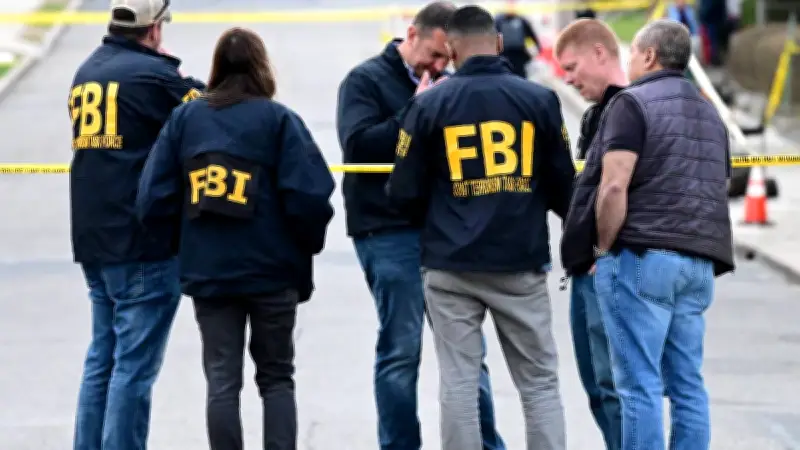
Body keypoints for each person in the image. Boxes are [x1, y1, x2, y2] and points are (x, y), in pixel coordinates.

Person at [136, 27, 335, 450]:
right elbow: (310, 196)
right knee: (277, 378)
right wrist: (304, 246)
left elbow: (152, 197)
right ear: (262, 67)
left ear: (216, 69)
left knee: (222, 380)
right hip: (273, 272)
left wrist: (182, 245)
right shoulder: (279, 120)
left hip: (210, 271)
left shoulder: (186, 120)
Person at [386, 6, 574, 449]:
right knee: (539, 383)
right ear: (499, 43)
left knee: (459, 382)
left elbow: (402, 192)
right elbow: (565, 188)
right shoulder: (539, 101)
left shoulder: (427, 105)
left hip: (450, 264)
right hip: (519, 261)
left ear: (450, 50)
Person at [335, 2, 505, 449]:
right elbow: (359, 148)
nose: (439, 66)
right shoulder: (365, 81)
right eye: (433, 55)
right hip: (387, 230)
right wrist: (417, 109)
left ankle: (485, 443)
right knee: (401, 349)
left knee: (468, 352)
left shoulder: (452, 86)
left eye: (447, 58)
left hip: (444, 231)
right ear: (411, 34)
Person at [575, 20, 733, 450]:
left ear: (649, 56)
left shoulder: (632, 103)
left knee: (638, 385)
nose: (629, 62)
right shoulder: (710, 113)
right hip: (698, 261)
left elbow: (613, 186)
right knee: (687, 385)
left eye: (632, 53)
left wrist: (602, 248)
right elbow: (717, 184)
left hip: (643, 258)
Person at [68, 0, 206, 448]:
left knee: (103, 359)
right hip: (141, 239)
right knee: (133, 367)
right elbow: (211, 109)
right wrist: (181, 75)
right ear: (154, 29)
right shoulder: (154, 77)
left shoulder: (87, 71)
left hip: (94, 235)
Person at [554, 18, 625, 450]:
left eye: (572, 66)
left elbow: (625, 190)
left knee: (613, 385)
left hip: (608, 267)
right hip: (584, 270)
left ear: (600, 53)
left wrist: (606, 249)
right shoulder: (597, 115)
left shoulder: (630, 110)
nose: (567, 78)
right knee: (597, 387)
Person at [494, 0, 540, 77]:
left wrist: (537, 49)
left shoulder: (522, 20)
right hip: (505, 56)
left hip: (518, 56)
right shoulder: (499, 21)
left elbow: (531, 36)